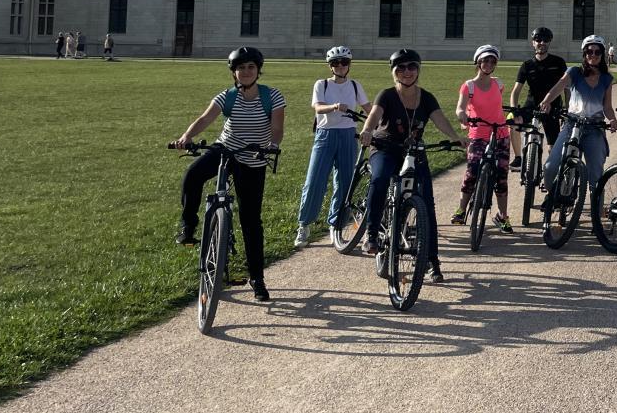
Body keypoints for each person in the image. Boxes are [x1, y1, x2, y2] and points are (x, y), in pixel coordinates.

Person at [172, 46, 286, 301]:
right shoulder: (227, 96)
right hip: (226, 149)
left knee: (251, 220)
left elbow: (277, 127)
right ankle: (188, 224)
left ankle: (257, 278)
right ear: (233, 72)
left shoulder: (272, 96)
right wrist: (186, 137)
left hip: (254, 157)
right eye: (240, 68)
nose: (246, 72)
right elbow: (205, 119)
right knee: (193, 175)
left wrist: (272, 145)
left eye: (251, 67)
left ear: (258, 70)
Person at [357, 48, 466, 283]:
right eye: (401, 68)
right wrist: (366, 131)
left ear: (418, 70)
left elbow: (440, 119)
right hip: (385, 148)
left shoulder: (426, 98)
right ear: (394, 72)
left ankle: (431, 259)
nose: (407, 72)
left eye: (412, 67)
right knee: (380, 179)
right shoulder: (387, 95)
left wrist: (455, 137)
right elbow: (374, 116)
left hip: (413, 152)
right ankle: (372, 233)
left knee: (426, 203)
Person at [295, 45, 367, 248]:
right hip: (325, 135)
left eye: (344, 62)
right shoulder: (322, 84)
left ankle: (336, 224)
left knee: (345, 182)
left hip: (348, 135)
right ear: (330, 66)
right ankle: (304, 225)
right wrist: (334, 106)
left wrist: (379, 121)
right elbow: (317, 107)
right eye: (336, 63)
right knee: (315, 181)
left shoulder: (355, 86)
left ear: (349, 65)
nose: (340, 66)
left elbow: (368, 108)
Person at [538, 34, 617, 206]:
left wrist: (612, 120)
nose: (593, 55)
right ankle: (554, 196)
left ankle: (596, 213)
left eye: (597, 52)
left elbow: (607, 107)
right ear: (584, 53)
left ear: (602, 54)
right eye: (589, 51)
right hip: (571, 125)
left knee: (595, 175)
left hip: (594, 128)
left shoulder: (607, 79)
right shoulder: (574, 72)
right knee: (550, 168)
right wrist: (547, 100)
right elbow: (559, 86)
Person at [452, 44, 514, 233]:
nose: (489, 64)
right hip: (478, 133)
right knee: (472, 170)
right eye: (485, 60)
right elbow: (460, 107)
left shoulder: (499, 84)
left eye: (492, 61)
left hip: (500, 133)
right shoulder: (469, 86)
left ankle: (502, 216)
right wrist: (462, 115)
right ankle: (461, 210)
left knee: (501, 176)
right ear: (477, 62)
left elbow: (496, 107)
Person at [509, 26, 566, 171]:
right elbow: (516, 91)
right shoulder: (527, 65)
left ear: (549, 42)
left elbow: (567, 88)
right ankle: (518, 158)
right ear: (533, 42)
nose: (542, 43)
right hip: (531, 105)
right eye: (538, 40)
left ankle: (551, 172)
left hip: (553, 107)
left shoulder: (558, 62)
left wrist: (567, 108)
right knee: (513, 123)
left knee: (553, 148)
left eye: (545, 40)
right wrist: (515, 111)